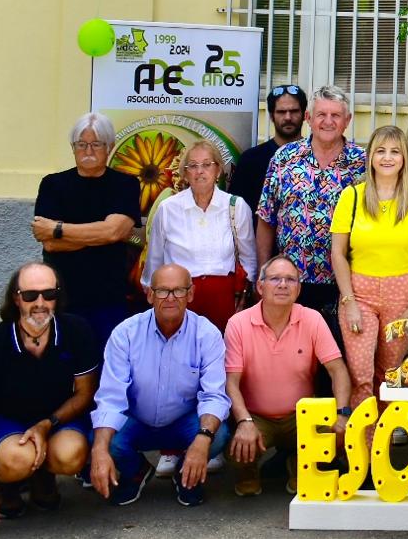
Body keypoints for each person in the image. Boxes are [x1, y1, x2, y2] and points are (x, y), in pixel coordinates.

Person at [0, 263, 99, 538]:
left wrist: (47, 424)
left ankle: (43, 478)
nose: (40, 303)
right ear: (16, 298)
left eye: (49, 294)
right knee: (15, 460)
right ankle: (6, 484)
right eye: (30, 295)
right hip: (8, 421)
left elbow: (85, 394)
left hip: (56, 418)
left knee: (71, 455)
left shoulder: (77, 330)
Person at [89, 265, 231, 508]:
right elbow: (111, 397)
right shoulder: (125, 333)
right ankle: (136, 471)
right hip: (137, 420)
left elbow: (214, 396)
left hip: (184, 421)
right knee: (103, 439)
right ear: (149, 295)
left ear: (191, 294)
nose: (171, 298)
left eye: (179, 290)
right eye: (163, 291)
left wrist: (202, 440)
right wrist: (99, 451)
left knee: (217, 436)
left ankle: (186, 474)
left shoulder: (207, 334)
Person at [224, 255, 351, 497]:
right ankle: (248, 470)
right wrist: (244, 421)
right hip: (256, 416)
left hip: (301, 415)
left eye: (290, 280)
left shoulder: (312, 318)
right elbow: (231, 383)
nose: (283, 285)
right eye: (275, 279)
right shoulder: (238, 324)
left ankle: (298, 463)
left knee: (334, 434)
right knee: (235, 446)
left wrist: (342, 413)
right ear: (260, 286)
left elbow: (338, 370)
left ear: (299, 288)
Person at [330, 125, 408, 409]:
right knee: (360, 374)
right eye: (380, 151)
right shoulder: (351, 197)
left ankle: (385, 434)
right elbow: (338, 253)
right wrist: (349, 301)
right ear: (370, 157)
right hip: (359, 292)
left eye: (394, 152)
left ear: (404, 158)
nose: (387, 158)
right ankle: (363, 435)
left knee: (390, 374)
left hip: (401, 292)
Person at [255, 85, 367, 345]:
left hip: (346, 286)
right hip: (291, 283)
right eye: (321, 115)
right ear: (308, 118)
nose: (328, 121)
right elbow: (266, 219)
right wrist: (263, 274)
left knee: (338, 358)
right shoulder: (284, 158)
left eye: (336, 115)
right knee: (292, 356)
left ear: (347, 120)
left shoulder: (363, 162)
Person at [31, 113, 142, 349]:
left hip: (108, 297)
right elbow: (49, 243)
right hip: (62, 297)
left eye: (96, 144)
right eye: (81, 144)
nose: (88, 150)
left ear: (110, 147)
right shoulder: (52, 184)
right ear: (73, 147)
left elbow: (115, 232)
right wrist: (102, 234)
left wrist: (58, 228)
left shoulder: (126, 185)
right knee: (63, 359)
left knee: (107, 360)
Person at [140, 141, 257, 333]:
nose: (200, 171)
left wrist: (244, 298)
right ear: (185, 174)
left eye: (207, 164)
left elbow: (249, 259)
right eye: (193, 166)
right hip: (178, 298)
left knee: (223, 349)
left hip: (224, 299)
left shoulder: (236, 206)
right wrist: (154, 295)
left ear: (218, 170)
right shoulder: (168, 208)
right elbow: (155, 260)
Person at [229, 84, 307, 215]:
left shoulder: (316, 158)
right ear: (271, 116)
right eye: (281, 112)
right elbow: (235, 212)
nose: (288, 117)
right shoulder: (251, 160)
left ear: (305, 114)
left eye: (294, 111)